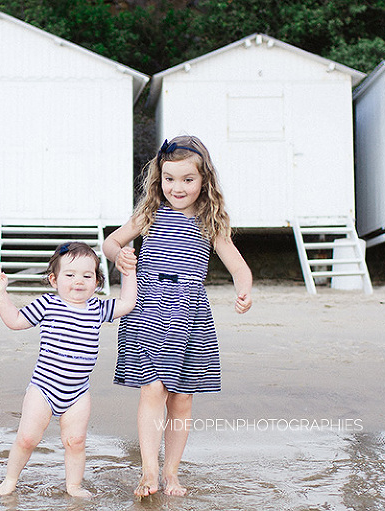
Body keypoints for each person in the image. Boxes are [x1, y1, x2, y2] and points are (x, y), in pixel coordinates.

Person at [103, 135, 253, 498]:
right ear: (160, 178)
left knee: (181, 398)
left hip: (190, 315)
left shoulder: (210, 221)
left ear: (205, 180)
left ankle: (171, 473)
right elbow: (112, 241)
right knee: (152, 387)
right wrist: (118, 255)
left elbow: (237, 265)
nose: (177, 187)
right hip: (148, 308)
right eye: (169, 179)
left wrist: (243, 289)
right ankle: (149, 471)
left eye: (188, 179)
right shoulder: (149, 213)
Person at [0, 241, 137, 498]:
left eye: (87, 276)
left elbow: (127, 303)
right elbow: (15, 321)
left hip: (77, 392)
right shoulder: (47, 305)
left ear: (97, 282)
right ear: (54, 280)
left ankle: (74, 485)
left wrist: (128, 271)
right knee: (27, 439)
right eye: (70, 275)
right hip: (43, 388)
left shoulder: (98, 309)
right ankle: (10, 480)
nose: (79, 281)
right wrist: (0, 293)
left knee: (75, 442)